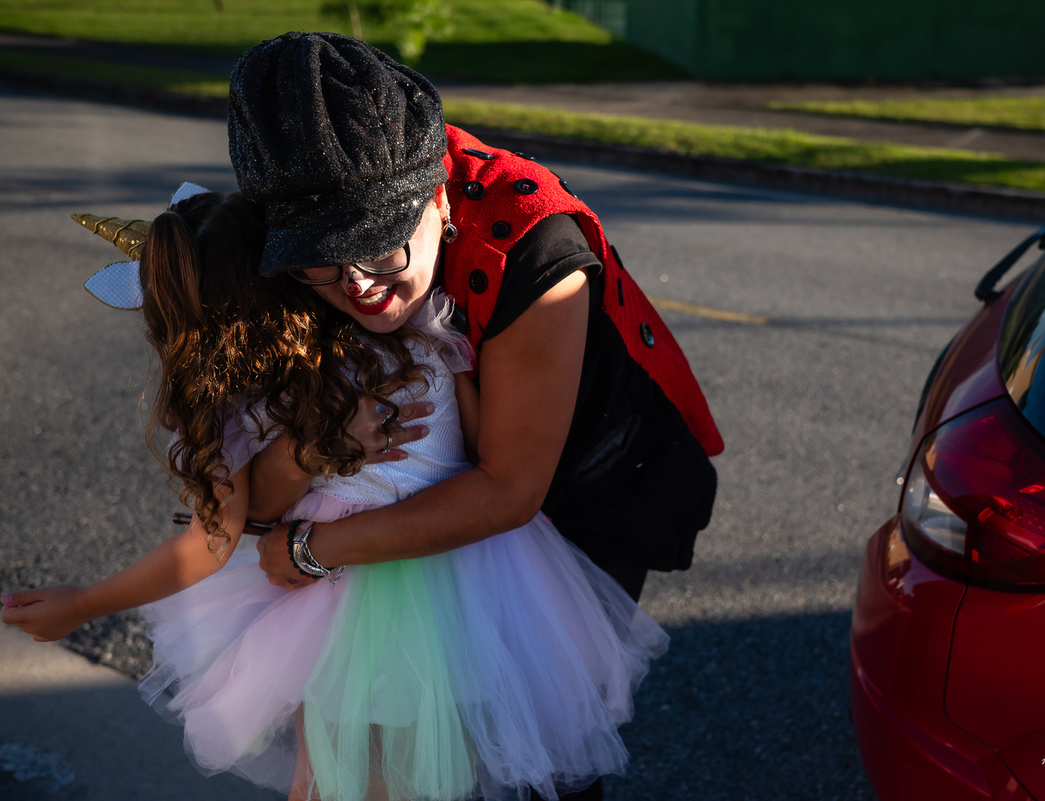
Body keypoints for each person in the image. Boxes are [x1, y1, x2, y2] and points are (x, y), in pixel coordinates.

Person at [1, 187, 668, 801]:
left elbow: (211, 542)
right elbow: (476, 453)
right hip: (458, 582)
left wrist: (86, 602)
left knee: (335, 781)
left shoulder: (261, 394)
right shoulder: (414, 331)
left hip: (364, 593)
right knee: (384, 777)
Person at [233, 32, 723, 625]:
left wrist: (310, 549)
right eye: (321, 255)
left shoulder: (537, 253)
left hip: (589, 483)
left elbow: (508, 491)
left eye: (377, 245)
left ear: (437, 197)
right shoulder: (289, 247)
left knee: (539, 706)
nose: (357, 282)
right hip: (420, 507)